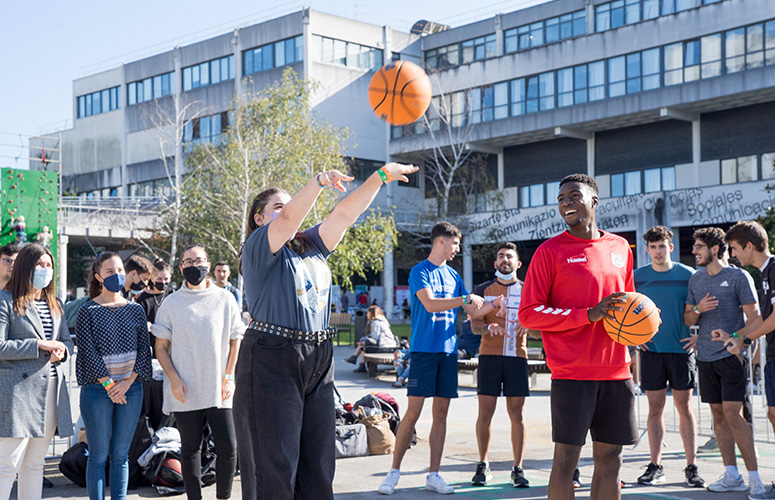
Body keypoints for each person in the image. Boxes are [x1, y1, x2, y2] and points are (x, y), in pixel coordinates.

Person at [235, 162, 418, 500]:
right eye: (279, 206)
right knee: (275, 467)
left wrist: (380, 177)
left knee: (319, 465)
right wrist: (318, 181)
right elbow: (289, 220)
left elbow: (345, 213)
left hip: (318, 356)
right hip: (272, 356)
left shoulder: (311, 245)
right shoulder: (258, 248)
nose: (289, 211)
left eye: (290, 205)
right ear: (259, 219)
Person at [519, 174, 637, 500]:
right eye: (561, 199)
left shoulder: (619, 249)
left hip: (616, 370)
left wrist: (642, 327)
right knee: (566, 463)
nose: (566, 202)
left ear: (594, 202)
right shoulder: (549, 252)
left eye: (573, 196)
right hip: (572, 373)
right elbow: (529, 313)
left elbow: (629, 303)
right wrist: (587, 314)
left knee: (611, 460)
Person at [378, 221, 484, 495]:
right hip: (424, 351)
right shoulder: (419, 272)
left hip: (448, 352)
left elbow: (472, 315)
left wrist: (493, 315)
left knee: (441, 416)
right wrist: (465, 299)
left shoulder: (454, 276)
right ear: (441, 241)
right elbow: (430, 304)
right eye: (455, 243)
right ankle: (393, 472)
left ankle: (433, 475)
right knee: (413, 413)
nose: (457, 249)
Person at [153, 245, 245, 500]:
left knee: (228, 446)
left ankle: (223, 497)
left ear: (209, 263)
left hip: (220, 386)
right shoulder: (171, 303)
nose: (195, 265)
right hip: (184, 388)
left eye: (200, 260)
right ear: (181, 267)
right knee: (191, 448)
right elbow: (160, 346)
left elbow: (235, 338)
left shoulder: (225, 298)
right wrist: (173, 380)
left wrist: (229, 376)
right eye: (189, 261)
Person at [682, 226, 764, 495]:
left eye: (699, 247)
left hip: (731, 358)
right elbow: (688, 319)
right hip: (704, 358)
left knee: (733, 414)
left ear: (715, 249)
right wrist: (698, 309)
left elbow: (756, 318)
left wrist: (735, 338)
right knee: (718, 416)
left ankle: (755, 479)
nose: (694, 251)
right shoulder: (695, 280)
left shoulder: (739, 276)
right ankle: (731, 475)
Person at [76, 252, 153, 500]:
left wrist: (127, 382)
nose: (117, 275)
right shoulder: (87, 310)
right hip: (98, 390)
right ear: (98, 277)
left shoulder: (136, 309)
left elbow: (145, 349)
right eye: (110, 272)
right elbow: (87, 351)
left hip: (131, 388)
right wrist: (110, 385)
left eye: (120, 270)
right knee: (98, 455)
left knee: (121, 455)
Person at [633, 226, 704, 487]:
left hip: (681, 351)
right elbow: (625, 311)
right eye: (653, 247)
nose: (658, 251)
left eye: (662, 246)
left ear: (670, 247)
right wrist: (633, 339)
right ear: (647, 249)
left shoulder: (688, 275)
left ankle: (691, 467)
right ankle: (656, 465)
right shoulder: (637, 277)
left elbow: (702, 308)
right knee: (655, 410)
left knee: (684, 409)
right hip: (652, 352)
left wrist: (701, 336)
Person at [0, 243, 73, 500]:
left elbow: (66, 340)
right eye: (40, 264)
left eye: (49, 265)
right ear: (25, 267)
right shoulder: (5, 300)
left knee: (35, 464)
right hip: (19, 394)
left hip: (51, 391)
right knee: (8, 464)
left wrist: (62, 350)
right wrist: (39, 345)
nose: (46, 270)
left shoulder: (56, 304)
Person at [708, 221, 775, 499]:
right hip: (772, 354)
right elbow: (761, 319)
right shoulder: (764, 273)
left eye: (734, 248)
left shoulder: (774, 268)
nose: (733, 254)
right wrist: (735, 335)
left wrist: (745, 341)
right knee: (773, 415)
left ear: (749, 246)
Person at [468, 242, 536, 488]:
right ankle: (483, 465)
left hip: (517, 358)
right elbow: (474, 326)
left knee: (516, 414)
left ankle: (517, 467)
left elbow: (540, 332)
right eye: (500, 256)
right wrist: (488, 327)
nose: (504, 259)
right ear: (495, 264)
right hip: (489, 356)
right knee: (485, 413)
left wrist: (530, 326)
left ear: (518, 264)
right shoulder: (483, 289)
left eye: (509, 256)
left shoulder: (529, 289)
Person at [134, 258, 173, 357]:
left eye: (166, 279)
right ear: (152, 278)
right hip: (151, 349)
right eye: (159, 279)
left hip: (172, 347)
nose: (163, 282)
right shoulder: (143, 299)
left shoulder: (173, 295)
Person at [346, 305, 397, 372]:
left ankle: (357, 360)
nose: (366, 314)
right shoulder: (381, 321)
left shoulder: (376, 322)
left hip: (384, 345)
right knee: (363, 344)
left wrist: (364, 340)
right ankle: (359, 362)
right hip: (388, 344)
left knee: (363, 346)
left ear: (372, 313)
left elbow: (375, 337)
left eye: (368, 313)